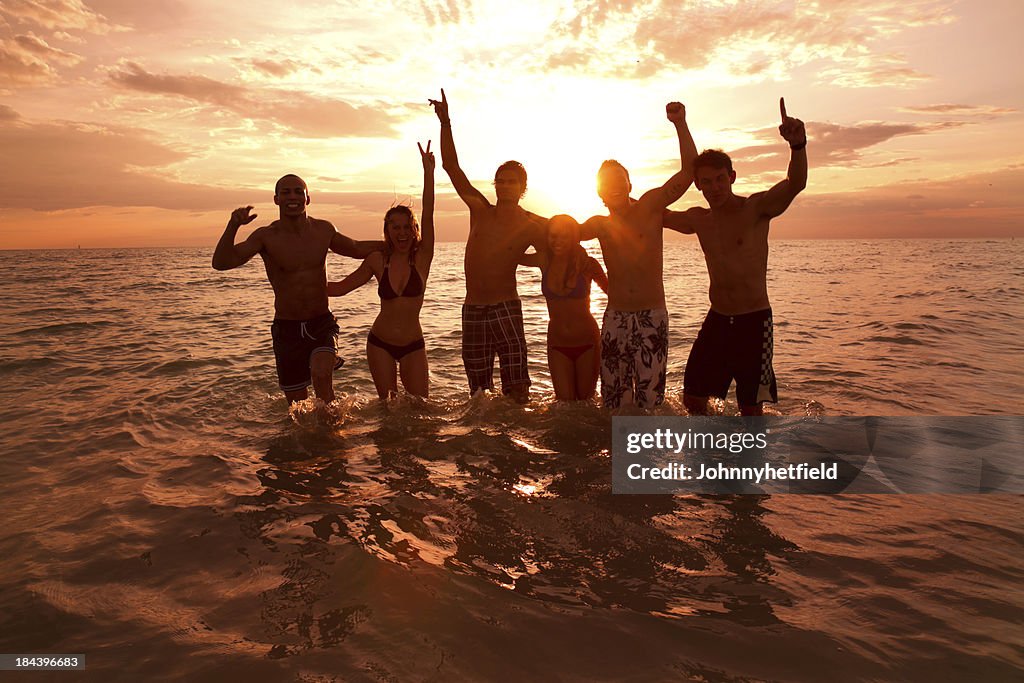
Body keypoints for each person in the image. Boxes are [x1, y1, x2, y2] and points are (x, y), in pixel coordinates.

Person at [663, 97, 807, 416]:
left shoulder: (755, 209)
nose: (714, 187)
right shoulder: (699, 219)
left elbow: (795, 183)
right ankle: (714, 452)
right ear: (698, 186)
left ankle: (751, 461)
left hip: (753, 323)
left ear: (732, 177)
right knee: (693, 398)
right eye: (706, 182)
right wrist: (617, 195)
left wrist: (798, 146)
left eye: (719, 179)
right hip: (718, 319)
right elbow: (653, 213)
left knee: (750, 408)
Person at [211, 174, 383, 404]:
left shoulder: (323, 230)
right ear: (276, 199)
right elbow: (221, 263)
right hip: (287, 329)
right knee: (297, 406)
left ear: (307, 198)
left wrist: (401, 244)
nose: (292, 197)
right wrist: (233, 225)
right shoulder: (266, 236)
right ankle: (305, 440)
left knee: (322, 376)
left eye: (298, 191)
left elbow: (355, 247)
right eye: (286, 192)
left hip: (321, 322)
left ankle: (333, 436)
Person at [429, 89, 546, 403]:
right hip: (473, 309)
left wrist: (520, 258)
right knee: (478, 394)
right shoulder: (480, 210)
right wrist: (445, 123)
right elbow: (452, 168)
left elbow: (553, 253)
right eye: (501, 180)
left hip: (505, 308)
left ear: (523, 187)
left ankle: (517, 447)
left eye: (512, 181)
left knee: (517, 388)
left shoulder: (533, 224)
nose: (505, 186)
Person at [580, 101, 697, 410]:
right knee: (614, 404)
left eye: (620, 180)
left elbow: (687, 173)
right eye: (607, 183)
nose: (615, 186)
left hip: (651, 316)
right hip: (615, 317)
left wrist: (680, 124)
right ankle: (615, 456)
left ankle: (648, 456)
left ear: (629, 183)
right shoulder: (600, 226)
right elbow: (561, 235)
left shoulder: (649, 207)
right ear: (599, 192)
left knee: (650, 404)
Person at [326, 142, 436, 400]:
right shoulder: (378, 260)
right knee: (389, 409)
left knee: (421, 408)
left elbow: (429, 212)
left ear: (414, 229)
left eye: (406, 227)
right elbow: (341, 288)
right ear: (387, 231)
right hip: (380, 344)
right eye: (395, 227)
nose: (401, 232)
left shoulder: (422, 258)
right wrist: (301, 283)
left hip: (413, 345)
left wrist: (429, 173)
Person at [519, 215, 608, 401]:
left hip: (587, 343)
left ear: (574, 237)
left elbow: (614, 294)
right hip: (557, 344)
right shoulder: (544, 260)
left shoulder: (588, 264)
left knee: (585, 403)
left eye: (564, 236)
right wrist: (521, 217)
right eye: (553, 236)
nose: (557, 241)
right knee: (564, 406)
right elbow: (513, 254)